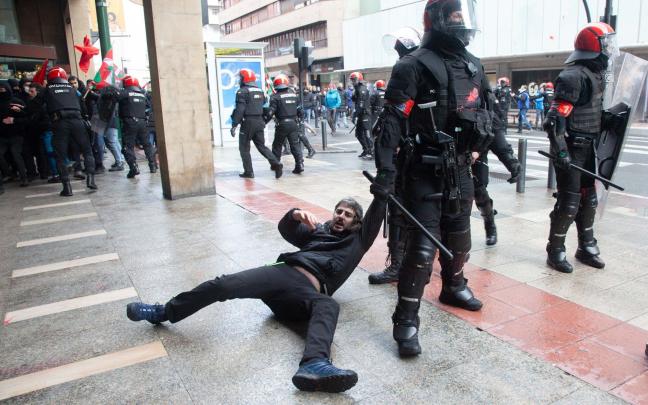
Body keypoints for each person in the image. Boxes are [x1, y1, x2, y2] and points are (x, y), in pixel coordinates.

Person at [126, 186, 389, 393]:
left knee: (328, 305)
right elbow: (288, 230)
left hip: (304, 294)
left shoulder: (358, 242)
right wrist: (295, 214)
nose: (341, 216)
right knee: (224, 284)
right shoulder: (317, 232)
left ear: (357, 222)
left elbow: (377, 210)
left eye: (348, 214)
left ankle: (314, 364)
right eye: (338, 211)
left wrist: (383, 186)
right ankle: (163, 311)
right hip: (280, 274)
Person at [373, 0, 494, 356]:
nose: (461, 22)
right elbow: (392, 120)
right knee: (423, 248)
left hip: (460, 167)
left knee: (459, 239)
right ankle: (406, 319)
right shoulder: (412, 65)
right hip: (422, 170)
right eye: (455, 16)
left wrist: (479, 151)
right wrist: (385, 170)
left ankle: (454, 286)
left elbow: (488, 112)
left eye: (464, 15)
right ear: (438, 20)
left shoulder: (474, 66)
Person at [543, 22, 618, 273]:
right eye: (606, 43)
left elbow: (590, 111)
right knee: (569, 202)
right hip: (572, 148)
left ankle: (586, 245)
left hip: (589, 149)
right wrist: (561, 151)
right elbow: (554, 120)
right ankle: (555, 250)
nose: (610, 48)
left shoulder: (597, 75)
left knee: (590, 199)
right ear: (593, 46)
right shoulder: (572, 76)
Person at [368, 26, 422, 285]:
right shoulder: (431, 63)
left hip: (406, 151)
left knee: (399, 208)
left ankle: (399, 266)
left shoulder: (406, 67)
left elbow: (395, 117)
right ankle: (420, 265)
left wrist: (385, 168)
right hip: (428, 150)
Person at [472, 94, 521, 245]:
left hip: (477, 153)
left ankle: (490, 224)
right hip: (453, 152)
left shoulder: (485, 100)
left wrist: (512, 163)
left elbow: (499, 141)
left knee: (479, 191)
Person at [43, 67, 96, 196]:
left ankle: (67, 188)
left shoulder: (47, 90)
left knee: (60, 156)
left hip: (59, 122)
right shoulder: (73, 90)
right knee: (87, 150)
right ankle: (91, 180)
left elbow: (38, 107)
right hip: (77, 121)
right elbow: (83, 106)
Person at [231, 68, 283, 179]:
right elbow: (263, 103)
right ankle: (276, 163)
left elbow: (240, 109)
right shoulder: (259, 91)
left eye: (240, 78)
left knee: (244, 148)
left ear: (244, 79)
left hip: (248, 122)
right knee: (261, 146)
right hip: (259, 121)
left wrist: (234, 124)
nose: (239, 80)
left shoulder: (242, 92)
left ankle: (249, 172)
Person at [116, 75, 157, 178]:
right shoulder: (142, 95)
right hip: (143, 123)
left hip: (129, 122)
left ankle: (133, 168)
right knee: (147, 144)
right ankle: (152, 166)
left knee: (127, 147)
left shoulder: (124, 93)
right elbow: (148, 108)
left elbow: (113, 100)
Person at [266, 74, 304, 174]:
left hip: (281, 124)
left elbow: (271, 112)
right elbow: (300, 111)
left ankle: (277, 165)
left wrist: (264, 121)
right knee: (295, 145)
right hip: (293, 124)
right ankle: (299, 164)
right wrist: (300, 120)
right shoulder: (294, 95)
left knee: (277, 146)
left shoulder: (275, 97)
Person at [0, 81, 28, 187]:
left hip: (16, 135)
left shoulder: (16, 101)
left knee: (17, 155)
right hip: (2, 136)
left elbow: (27, 116)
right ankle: (9, 174)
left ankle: (24, 177)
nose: (1, 92)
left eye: (3, 90)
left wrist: (18, 114)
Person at [350, 72, 373, 159]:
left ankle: (371, 152)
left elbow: (360, 104)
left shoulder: (362, 89)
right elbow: (355, 100)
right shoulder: (357, 89)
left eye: (354, 79)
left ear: (359, 79)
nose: (353, 81)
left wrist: (355, 116)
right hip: (360, 114)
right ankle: (366, 149)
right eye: (352, 80)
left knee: (367, 133)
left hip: (365, 114)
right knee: (358, 134)